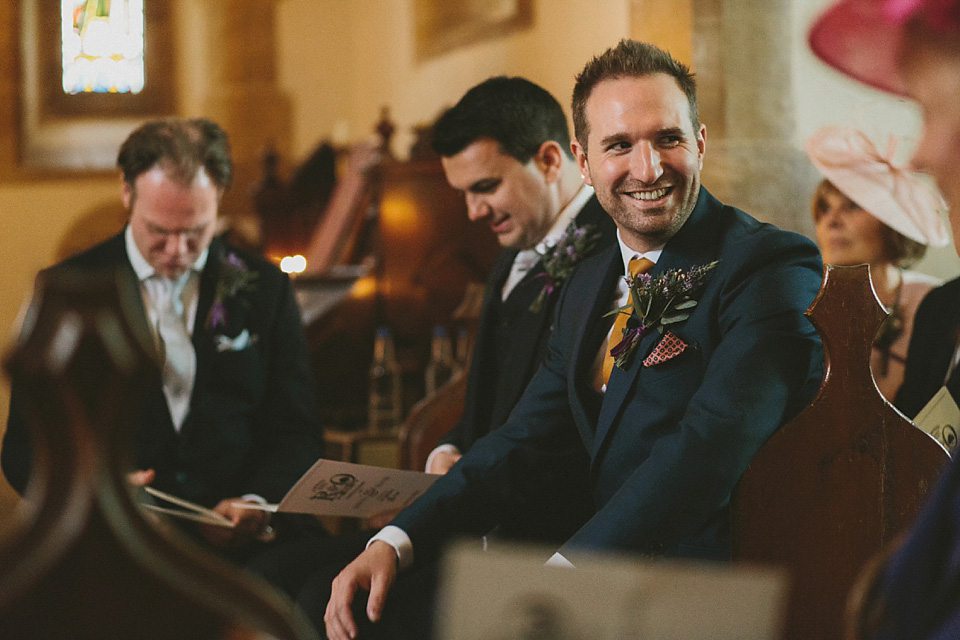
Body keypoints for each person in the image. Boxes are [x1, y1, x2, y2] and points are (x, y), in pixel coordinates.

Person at [324, 39, 824, 640]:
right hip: (597, 575)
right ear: (584, 163)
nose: (648, 168)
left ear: (700, 142)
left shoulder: (766, 265)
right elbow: (525, 434)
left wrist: (559, 578)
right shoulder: (589, 279)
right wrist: (400, 538)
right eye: (619, 146)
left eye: (668, 138)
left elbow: (703, 453)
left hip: (706, 592)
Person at [248, 75, 617, 633]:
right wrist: (444, 451)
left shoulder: (604, 253)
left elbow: (559, 426)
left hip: (534, 532)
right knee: (272, 575)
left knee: (336, 604)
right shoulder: (512, 249)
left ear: (548, 159)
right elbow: (479, 406)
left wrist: (445, 506)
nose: (472, 211)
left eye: (485, 186)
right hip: (473, 504)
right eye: (463, 192)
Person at [1, 117, 325, 562]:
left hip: (244, 551)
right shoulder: (67, 289)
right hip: (113, 550)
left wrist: (258, 503)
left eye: (195, 232)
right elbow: (22, 446)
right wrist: (92, 489)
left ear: (219, 202)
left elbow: (296, 428)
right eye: (159, 231)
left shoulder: (263, 287)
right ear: (126, 192)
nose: (177, 250)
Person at [809, 0, 960, 637]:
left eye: (934, 109)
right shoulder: (802, 308)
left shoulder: (942, 306)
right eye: (825, 204)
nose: (921, 155)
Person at [805, 123, 948, 401]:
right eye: (825, 207)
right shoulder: (808, 302)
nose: (831, 221)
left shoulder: (932, 303)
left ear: (890, 223)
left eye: (852, 206)